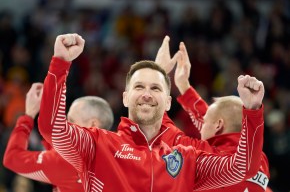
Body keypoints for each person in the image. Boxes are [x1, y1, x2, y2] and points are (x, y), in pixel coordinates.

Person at [38, 33, 265, 192]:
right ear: (125, 97)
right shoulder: (97, 144)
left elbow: (242, 168)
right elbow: (53, 129)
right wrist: (60, 64)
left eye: (155, 88)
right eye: (139, 87)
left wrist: (252, 110)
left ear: (167, 102)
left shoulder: (186, 157)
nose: (146, 94)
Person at [155, 36, 271, 192]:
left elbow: (159, 128)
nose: (201, 127)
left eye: (205, 122)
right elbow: (213, 120)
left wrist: (157, 75)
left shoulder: (205, 154)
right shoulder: (261, 160)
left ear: (218, 125)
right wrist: (184, 85)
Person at [3, 83, 114, 192]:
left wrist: (28, 116)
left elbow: (12, 158)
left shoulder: (67, 160)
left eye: (71, 121)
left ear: (93, 125)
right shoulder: (122, 156)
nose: (65, 126)